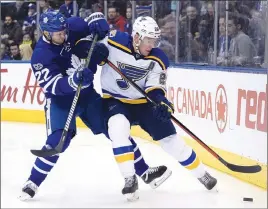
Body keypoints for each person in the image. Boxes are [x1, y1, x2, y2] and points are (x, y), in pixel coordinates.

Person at [18, 12, 171, 201]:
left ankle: (145, 172)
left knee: (115, 129)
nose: (63, 36)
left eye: (64, 31)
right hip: (61, 101)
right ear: (47, 34)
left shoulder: (70, 26)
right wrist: (74, 80)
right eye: (58, 34)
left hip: (87, 96)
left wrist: (98, 23)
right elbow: (53, 86)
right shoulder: (41, 55)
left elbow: (94, 20)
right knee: (59, 141)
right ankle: (32, 182)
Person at [98, 16, 218, 201]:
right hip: (116, 101)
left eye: (154, 41)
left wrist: (161, 101)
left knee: (171, 140)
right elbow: (91, 47)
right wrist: (95, 49)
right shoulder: (114, 41)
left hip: (144, 103)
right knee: (117, 128)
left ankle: (202, 174)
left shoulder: (158, 58)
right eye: (148, 40)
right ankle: (130, 179)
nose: (151, 45)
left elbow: (155, 87)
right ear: (136, 37)